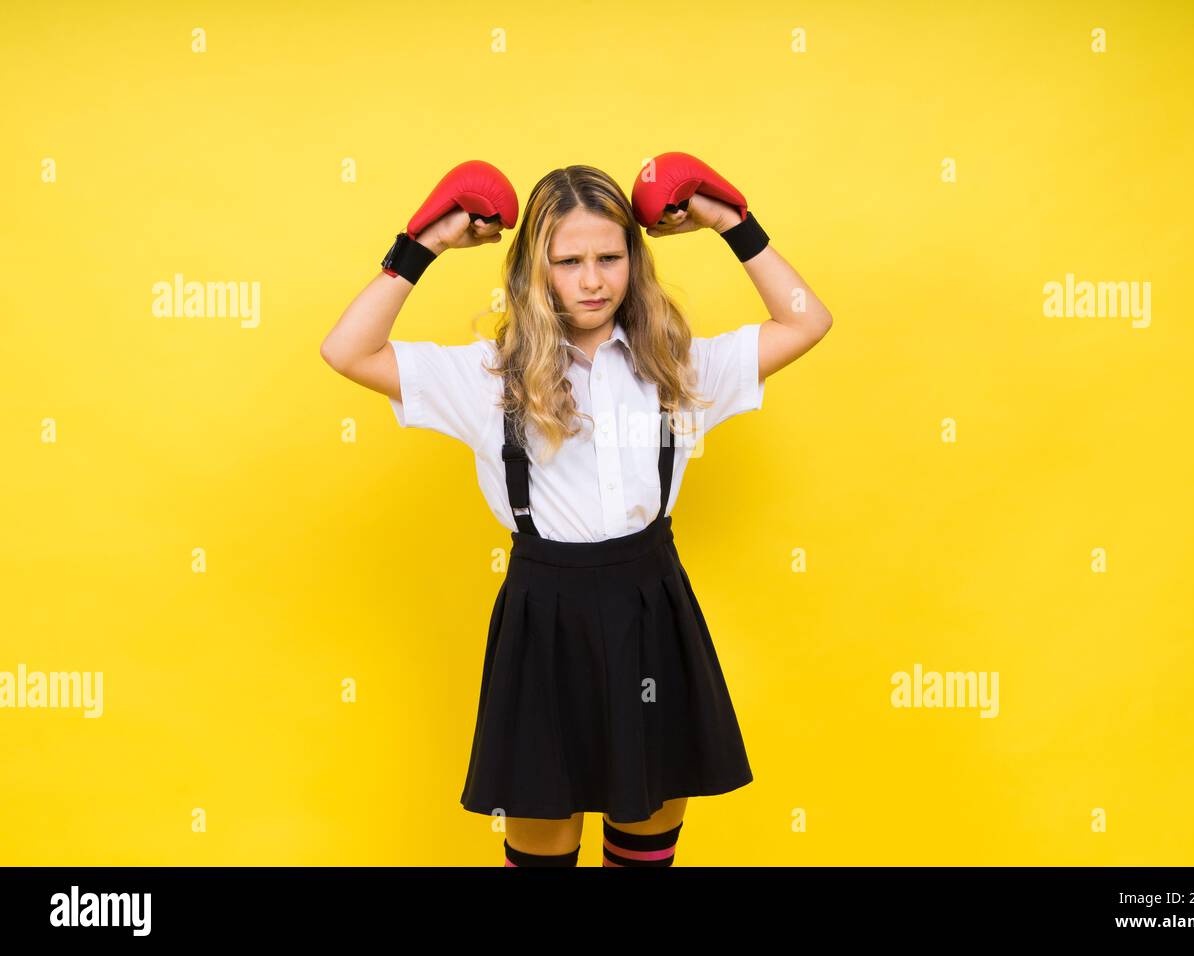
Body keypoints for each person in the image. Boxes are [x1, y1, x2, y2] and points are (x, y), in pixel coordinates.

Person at [320, 162, 832, 866]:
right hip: (544, 619)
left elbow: (807, 319)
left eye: (609, 258)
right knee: (541, 847)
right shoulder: (487, 377)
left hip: (653, 609)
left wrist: (729, 221)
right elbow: (346, 350)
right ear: (536, 268)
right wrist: (424, 243)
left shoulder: (675, 364)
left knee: (647, 842)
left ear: (635, 259)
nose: (593, 280)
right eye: (569, 262)